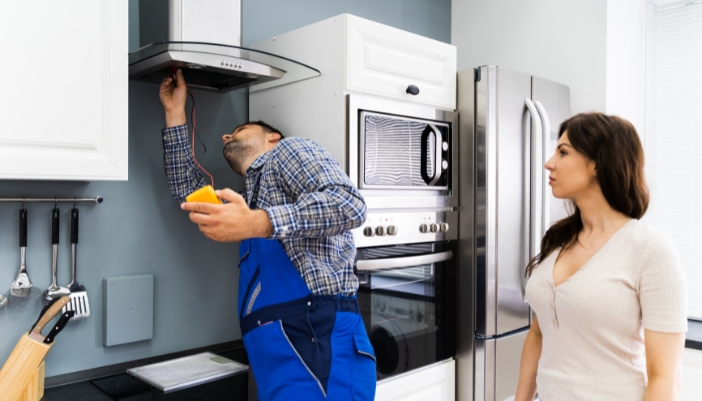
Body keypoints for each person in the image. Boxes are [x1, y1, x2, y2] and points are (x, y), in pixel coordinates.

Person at [158, 68, 376, 401]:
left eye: (239, 129)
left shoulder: (287, 152)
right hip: (275, 354)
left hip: (320, 341)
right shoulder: (250, 201)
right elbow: (190, 194)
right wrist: (175, 113)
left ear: (271, 137)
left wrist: (257, 223)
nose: (225, 137)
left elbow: (349, 204)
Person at [514, 113, 687, 401]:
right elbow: (539, 333)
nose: (549, 162)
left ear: (597, 164)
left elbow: (665, 378)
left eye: (563, 152)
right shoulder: (560, 241)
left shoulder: (651, 249)